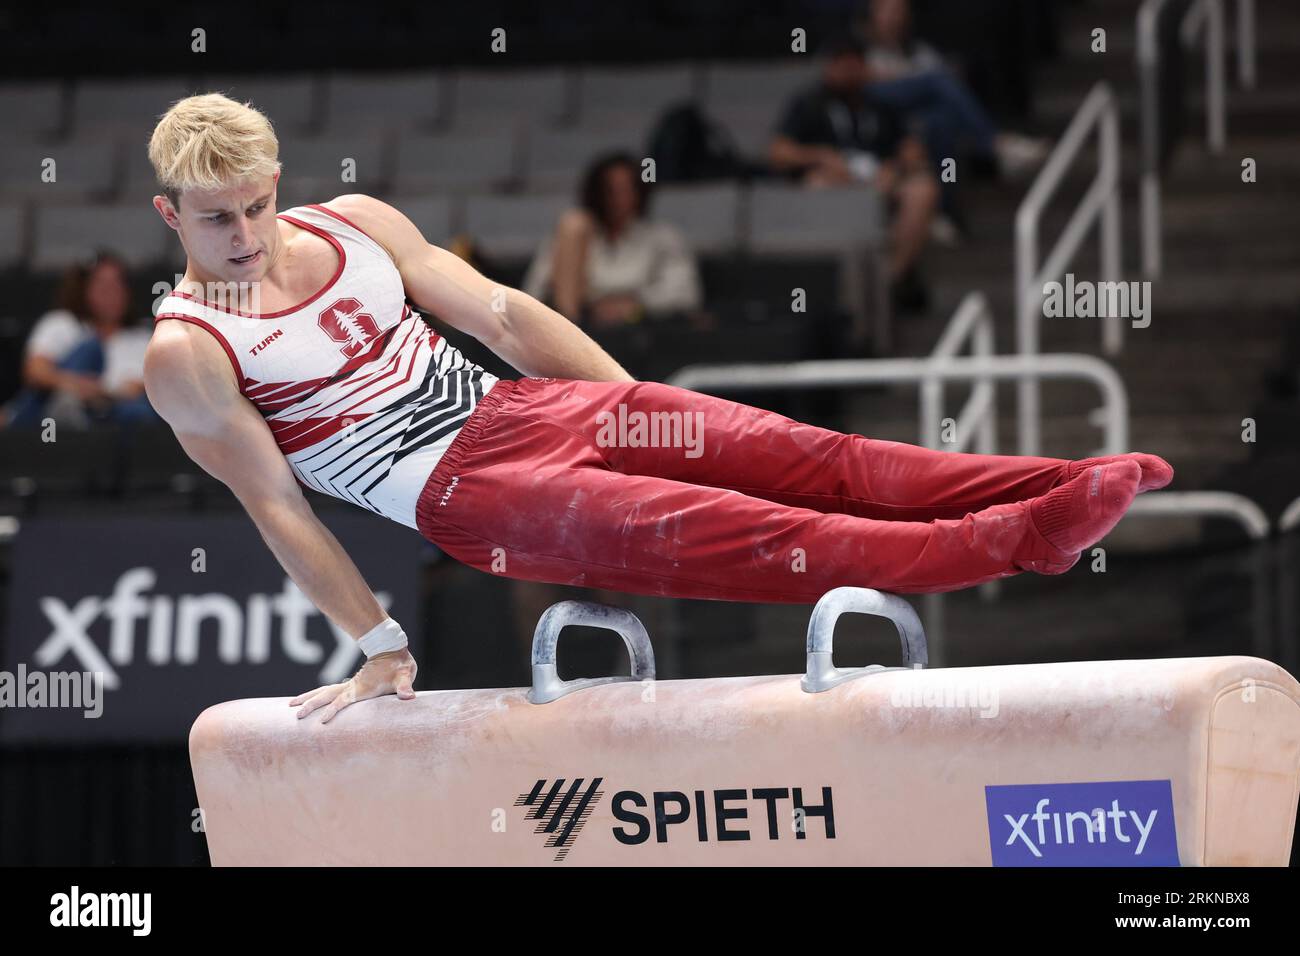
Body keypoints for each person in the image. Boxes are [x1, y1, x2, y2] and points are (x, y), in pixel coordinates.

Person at [143, 94, 1172, 725]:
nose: (242, 234)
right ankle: (1018, 538)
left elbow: (502, 311)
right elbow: (280, 505)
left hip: (536, 406)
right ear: (169, 214)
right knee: (776, 535)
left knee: (815, 455)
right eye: (214, 219)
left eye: (254, 206)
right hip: (478, 495)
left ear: (278, 182)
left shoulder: (357, 223)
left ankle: (1056, 481)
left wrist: (624, 402)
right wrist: (377, 642)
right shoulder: (188, 348)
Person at [769, 37, 939, 311]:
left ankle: (890, 279)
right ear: (830, 67)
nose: (849, 72)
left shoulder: (882, 105)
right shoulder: (808, 103)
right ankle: (838, 284)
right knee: (816, 185)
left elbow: (913, 150)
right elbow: (778, 152)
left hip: (880, 184)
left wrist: (894, 168)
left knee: (922, 189)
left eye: (855, 65)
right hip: (834, 184)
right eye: (842, 65)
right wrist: (821, 156)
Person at [522, 151, 702, 328]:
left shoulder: (662, 237)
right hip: (582, 324)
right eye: (610, 191)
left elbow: (685, 292)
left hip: (643, 328)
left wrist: (636, 306)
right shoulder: (573, 234)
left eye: (626, 189)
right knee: (572, 222)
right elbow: (535, 292)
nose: (618, 200)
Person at [3, 252, 157, 428]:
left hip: (108, 413)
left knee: (138, 411)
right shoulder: (62, 323)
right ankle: (65, 410)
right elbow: (36, 371)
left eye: (117, 286)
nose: (111, 294)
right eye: (102, 286)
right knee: (91, 349)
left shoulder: (142, 338)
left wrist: (100, 392)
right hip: (52, 408)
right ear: (85, 290)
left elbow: (139, 388)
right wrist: (74, 385)